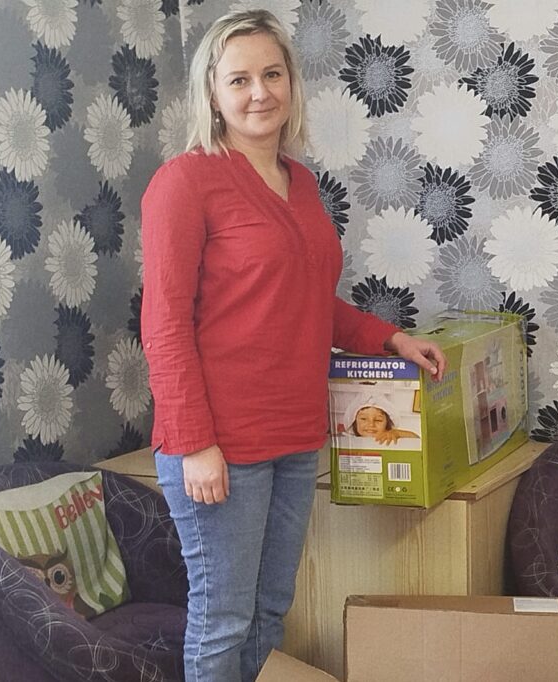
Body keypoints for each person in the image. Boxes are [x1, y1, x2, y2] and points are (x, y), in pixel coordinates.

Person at [139, 10, 446, 681]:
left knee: (268, 613)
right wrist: (194, 443)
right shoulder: (184, 183)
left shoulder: (299, 182)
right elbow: (163, 324)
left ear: (291, 82)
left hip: (296, 434)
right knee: (222, 619)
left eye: (272, 74)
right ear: (212, 92)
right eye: (240, 79)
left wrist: (390, 336)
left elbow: (306, 297)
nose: (260, 92)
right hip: (221, 442)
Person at [348, 399, 419, 445]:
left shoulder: (390, 438)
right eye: (363, 419)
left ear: (387, 424)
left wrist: (397, 433)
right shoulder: (349, 440)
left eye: (378, 420)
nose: (371, 424)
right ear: (354, 422)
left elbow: (417, 440)